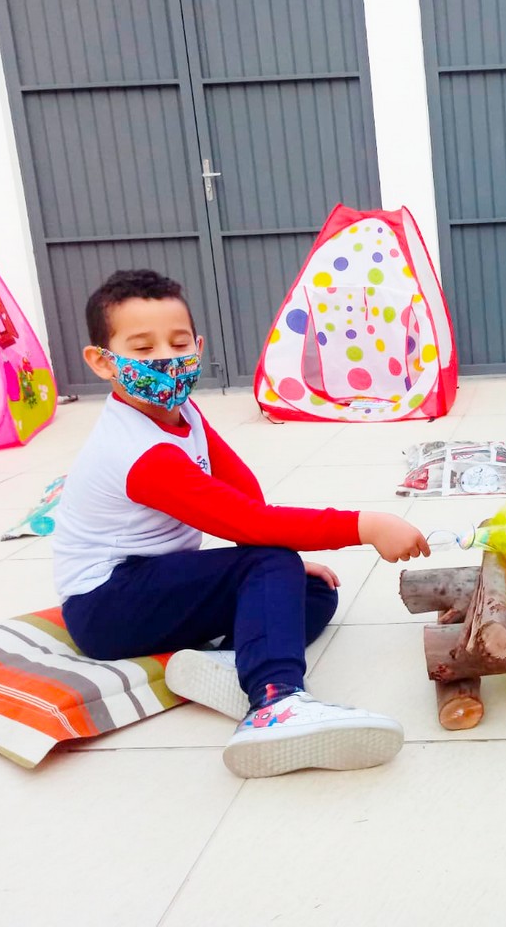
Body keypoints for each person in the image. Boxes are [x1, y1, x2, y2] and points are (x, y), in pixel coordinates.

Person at [53, 270, 432, 778]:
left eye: (178, 343)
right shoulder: (138, 451)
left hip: (150, 583)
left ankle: (229, 665)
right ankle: (275, 701)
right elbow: (248, 520)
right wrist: (364, 526)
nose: (165, 359)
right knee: (271, 562)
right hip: (107, 606)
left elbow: (241, 490)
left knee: (312, 592)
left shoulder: (179, 409)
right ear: (102, 361)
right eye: (142, 349)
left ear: (198, 346)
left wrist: (279, 564)